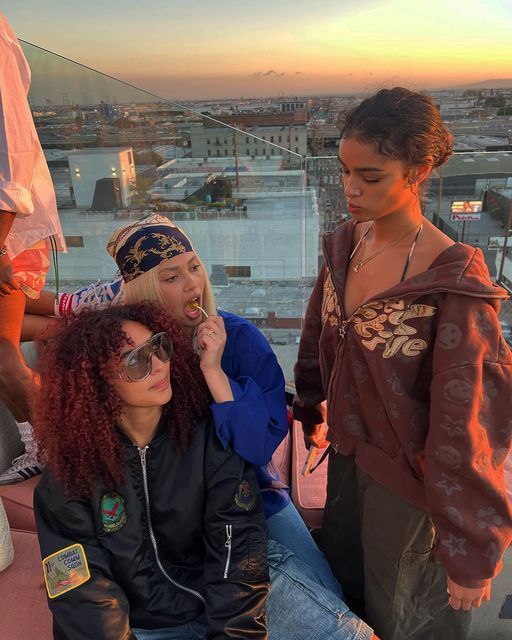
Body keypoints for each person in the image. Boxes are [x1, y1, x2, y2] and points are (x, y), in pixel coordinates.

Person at [21, 213, 341, 596]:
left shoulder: (240, 340)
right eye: (171, 277)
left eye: (194, 267)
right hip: (163, 511)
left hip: (251, 495)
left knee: (326, 590)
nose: (192, 284)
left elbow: (257, 448)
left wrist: (214, 372)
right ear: (144, 291)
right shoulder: (125, 353)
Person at [293, 87, 512, 640]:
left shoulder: (451, 283)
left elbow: (469, 418)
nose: (351, 189)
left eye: (370, 176)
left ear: (418, 171)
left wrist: (469, 547)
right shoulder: (345, 245)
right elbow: (320, 332)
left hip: (409, 489)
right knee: (346, 601)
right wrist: (311, 404)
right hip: (346, 463)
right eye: (345, 171)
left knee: (401, 615)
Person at [32, 302, 377, 640]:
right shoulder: (69, 476)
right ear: (96, 383)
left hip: (246, 596)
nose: (158, 365)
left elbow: (238, 547)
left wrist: (235, 634)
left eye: (158, 347)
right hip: (148, 624)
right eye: (135, 360)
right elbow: (81, 588)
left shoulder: (209, 438)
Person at [0, 12, 65, 482]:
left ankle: (55, 452)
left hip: (8, 230)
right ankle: (79, 314)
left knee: (2, 356)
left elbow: (12, 157)